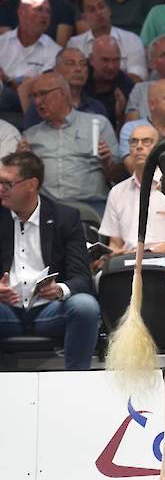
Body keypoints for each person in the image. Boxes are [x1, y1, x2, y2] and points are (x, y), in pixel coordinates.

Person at [0, 151, 101, 371]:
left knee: (85, 306)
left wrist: (60, 289)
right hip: (5, 310)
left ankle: (75, 380)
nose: (0, 189)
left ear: (31, 185)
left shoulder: (65, 217)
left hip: (49, 310)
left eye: (7, 183)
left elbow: (82, 278)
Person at [19, 72, 122, 215]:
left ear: (62, 93)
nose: (37, 102)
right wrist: (24, 163)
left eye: (43, 94)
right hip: (47, 209)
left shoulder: (98, 124)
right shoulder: (31, 135)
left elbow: (119, 177)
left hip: (91, 206)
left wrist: (108, 162)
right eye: (34, 96)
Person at [100, 125, 165, 256]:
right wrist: (114, 253)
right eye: (134, 142)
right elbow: (115, 242)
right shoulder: (117, 192)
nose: (139, 146)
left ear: (159, 148)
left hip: (164, 262)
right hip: (127, 264)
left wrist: (147, 253)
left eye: (146, 141)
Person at [19, 48, 110, 130]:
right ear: (56, 70)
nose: (78, 69)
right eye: (71, 64)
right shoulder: (42, 107)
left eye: (83, 64)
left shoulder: (97, 107)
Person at [68, 0, 147, 82]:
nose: (98, 12)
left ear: (109, 10)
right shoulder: (75, 44)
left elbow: (138, 76)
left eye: (101, 7)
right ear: (84, 18)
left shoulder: (132, 39)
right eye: (92, 10)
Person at [0, 0, 60, 112]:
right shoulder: (2, 43)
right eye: (38, 10)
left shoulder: (55, 52)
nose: (44, 16)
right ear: (21, 13)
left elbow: (39, 91)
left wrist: (8, 80)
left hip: (31, 107)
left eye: (48, 12)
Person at [83, 36, 135, 133]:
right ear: (91, 60)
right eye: (105, 60)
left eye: (116, 60)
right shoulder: (80, 79)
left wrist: (121, 115)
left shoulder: (126, 87)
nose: (111, 66)